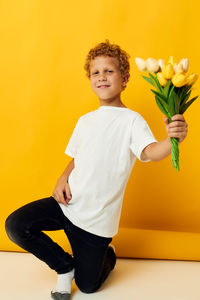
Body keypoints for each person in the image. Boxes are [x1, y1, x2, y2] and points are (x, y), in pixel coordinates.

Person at [5, 39, 188, 300]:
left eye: (109, 71)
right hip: (68, 204)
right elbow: (77, 157)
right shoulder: (85, 121)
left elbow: (149, 152)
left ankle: (108, 254)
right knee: (16, 224)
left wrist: (173, 139)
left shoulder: (132, 120)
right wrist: (62, 177)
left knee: (89, 286)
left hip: (96, 223)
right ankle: (63, 267)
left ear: (124, 78)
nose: (101, 77)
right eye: (95, 72)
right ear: (90, 79)